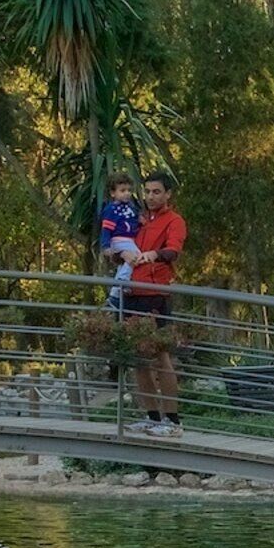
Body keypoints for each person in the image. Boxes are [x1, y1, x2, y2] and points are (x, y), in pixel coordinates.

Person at [129, 175, 188, 433]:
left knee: (160, 356)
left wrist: (155, 254)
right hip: (131, 292)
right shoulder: (139, 221)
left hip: (155, 295)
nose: (151, 196)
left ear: (168, 195)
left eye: (156, 192)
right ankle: (152, 416)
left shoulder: (174, 221)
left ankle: (172, 420)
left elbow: (173, 250)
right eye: (147, 192)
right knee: (138, 357)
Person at [97, 176, 143, 308]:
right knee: (135, 256)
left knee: (125, 264)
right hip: (119, 239)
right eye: (122, 190)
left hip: (129, 239)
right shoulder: (111, 210)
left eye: (129, 190)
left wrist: (140, 221)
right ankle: (122, 282)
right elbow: (106, 229)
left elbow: (134, 222)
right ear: (113, 193)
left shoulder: (131, 207)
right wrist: (105, 246)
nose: (127, 193)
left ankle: (115, 294)